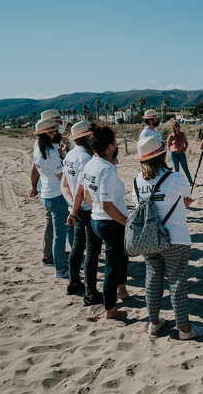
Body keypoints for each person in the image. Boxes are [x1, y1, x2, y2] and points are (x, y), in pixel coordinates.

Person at [132, 136, 203, 339]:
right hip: (175, 237)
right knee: (177, 282)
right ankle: (184, 328)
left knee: (152, 279)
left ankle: (153, 322)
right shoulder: (175, 178)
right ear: (162, 154)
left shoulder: (137, 181)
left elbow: (139, 204)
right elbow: (186, 198)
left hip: (150, 238)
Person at [83, 125, 129, 319]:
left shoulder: (90, 164)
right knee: (112, 265)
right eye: (115, 143)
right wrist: (127, 223)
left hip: (95, 219)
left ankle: (121, 291)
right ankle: (110, 309)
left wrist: (98, 210)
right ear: (109, 147)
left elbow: (87, 195)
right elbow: (108, 205)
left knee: (120, 257)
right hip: (109, 222)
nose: (117, 145)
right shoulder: (106, 170)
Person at [61, 121, 104, 305]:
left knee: (77, 247)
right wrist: (74, 210)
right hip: (87, 209)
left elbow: (64, 185)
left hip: (78, 208)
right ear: (86, 137)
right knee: (92, 252)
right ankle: (90, 293)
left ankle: (73, 282)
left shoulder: (70, 155)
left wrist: (72, 206)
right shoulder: (85, 159)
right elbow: (80, 190)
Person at [30, 118, 69, 279]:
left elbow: (37, 170)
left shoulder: (39, 150)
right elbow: (63, 176)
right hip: (57, 195)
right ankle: (60, 269)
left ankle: (49, 258)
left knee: (52, 229)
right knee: (60, 235)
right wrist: (64, 157)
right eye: (54, 130)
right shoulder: (50, 153)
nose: (57, 133)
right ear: (48, 133)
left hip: (46, 194)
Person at [167, 119, 194, 185]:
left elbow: (186, 143)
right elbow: (168, 146)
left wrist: (185, 148)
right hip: (174, 154)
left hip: (181, 153)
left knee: (185, 168)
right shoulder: (171, 136)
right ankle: (177, 183)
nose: (177, 127)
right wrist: (172, 149)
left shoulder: (182, 135)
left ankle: (191, 182)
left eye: (178, 125)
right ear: (173, 127)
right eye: (176, 126)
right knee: (176, 169)